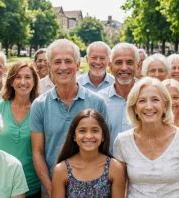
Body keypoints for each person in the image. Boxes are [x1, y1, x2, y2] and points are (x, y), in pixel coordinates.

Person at [30, 39, 107, 197]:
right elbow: (37, 152)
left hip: (92, 190)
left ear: (78, 65)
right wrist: (52, 190)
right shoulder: (39, 105)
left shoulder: (97, 102)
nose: (63, 67)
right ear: (50, 66)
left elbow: (104, 148)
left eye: (68, 61)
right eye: (57, 62)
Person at [114, 77, 179, 197]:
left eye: (155, 100)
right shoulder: (122, 141)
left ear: (165, 105)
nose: (149, 106)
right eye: (142, 101)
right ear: (134, 108)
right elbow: (120, 190)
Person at [51, 109, 124, 197]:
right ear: (74, 136)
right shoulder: (61, 170)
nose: (89, 136)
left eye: (95, 130)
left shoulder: (114, 168)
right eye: (82, 131)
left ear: (103, 136)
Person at [0, 61, 41, 197]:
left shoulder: (39, 109)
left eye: (27, 77)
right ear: (11, 82)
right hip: (2, 184)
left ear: (34, 82)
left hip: (32, 184)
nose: (23, 82)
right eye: (18, 77)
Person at [99, 42, 138, 152]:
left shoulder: (148, 97)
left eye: (129, 62)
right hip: (109, 165)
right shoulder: (99, 100)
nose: (124, 67)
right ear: (110, 67)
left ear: (138, 65)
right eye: (118, 62)